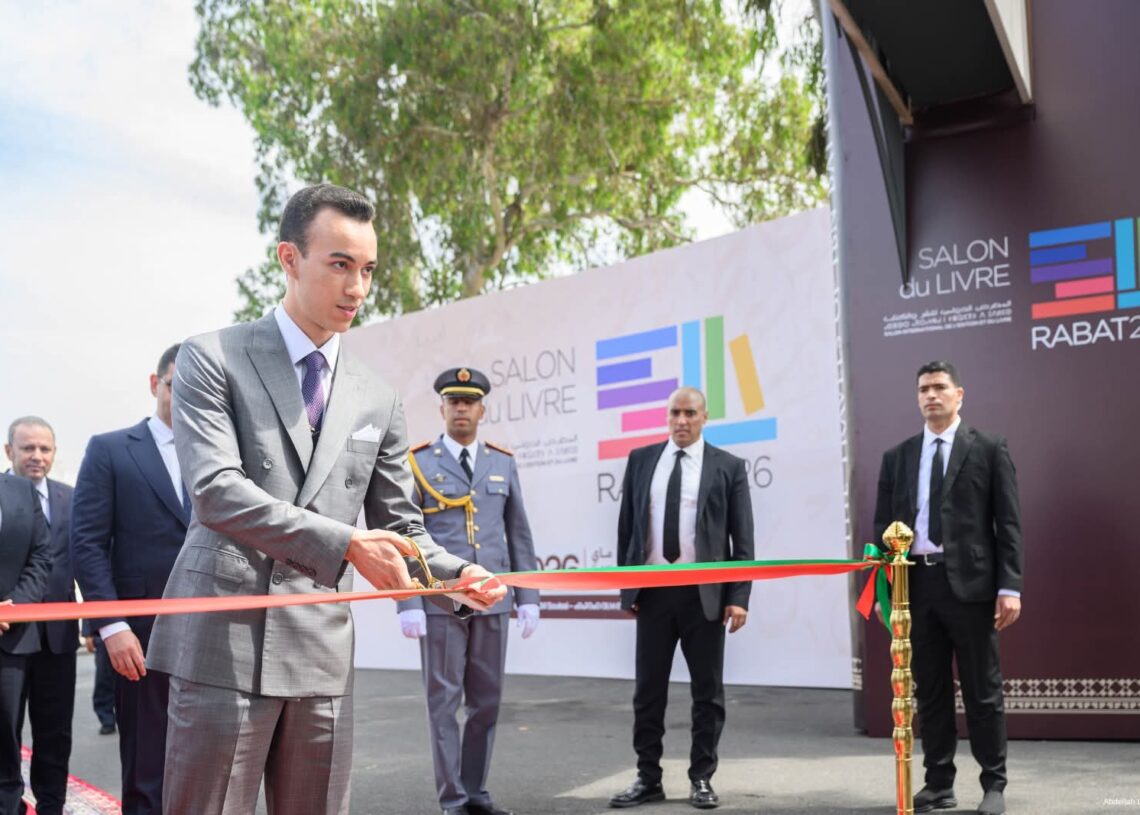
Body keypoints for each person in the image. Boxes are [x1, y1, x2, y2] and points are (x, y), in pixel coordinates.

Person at [145, 183, 505, 815]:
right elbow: (216, 491)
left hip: (320, 649)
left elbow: (401, 527)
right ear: (289, 259)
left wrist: (456, 574)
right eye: (339, 265)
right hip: (223, 639)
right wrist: (345, 545)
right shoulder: (213, 358)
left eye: (367, 270)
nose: (356, 288)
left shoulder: (376, 395)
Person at [873, 360, 1022, 815]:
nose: (930, 395)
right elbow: (883, 528)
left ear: (960, 394)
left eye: (939, 387)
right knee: (930, 690)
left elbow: (1009, 524)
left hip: (972, 587)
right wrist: (885, 591)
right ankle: (938, 782)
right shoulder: (897, 456)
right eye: (923, 388)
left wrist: (1010, 586)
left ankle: (993, 785)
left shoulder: (990, 448)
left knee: (982, 690)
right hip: (915, 585)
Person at [397, 367, 540, 815]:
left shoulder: (502, 461)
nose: (461, 409)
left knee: (487, 702)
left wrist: (529, 597)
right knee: (443, 704)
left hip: (494, 600)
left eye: (469, 402)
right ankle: (453, 800)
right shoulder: (418, 461)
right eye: (453, 401)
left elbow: (519, 534)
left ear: (482, 408)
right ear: (442, 408)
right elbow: (405, 534)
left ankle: (476, 791)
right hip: (442, 602)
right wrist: (409, 601)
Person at [609, 387, 754, 811]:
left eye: (690, 413)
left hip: (703, 597)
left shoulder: (728, 467)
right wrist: (628, 587)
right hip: (652, 594)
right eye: (675, 413)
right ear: (666, 415)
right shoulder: (641, 461)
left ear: (705, 417)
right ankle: (647, 777)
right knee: (647, 692)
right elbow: (627, 530)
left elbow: (742, 540)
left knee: (707, 694)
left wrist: (739, 597)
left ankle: (702, 779)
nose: (682, 421)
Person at [71, 343, 190, 815]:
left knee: (214, 761)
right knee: (147, 766)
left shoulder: (224, 453)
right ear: (155, 383)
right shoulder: (111, 450)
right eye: (178, 384)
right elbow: (87, 545)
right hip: (140, 636)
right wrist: (112, 625)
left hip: (217, 634)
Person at [4, 417, 77, 815]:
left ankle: (52, 805)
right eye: (28, 448)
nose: (36, 456)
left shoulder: (72, 498)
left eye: (44, 449)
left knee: (55, 732)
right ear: (8, 451)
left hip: (59, 636)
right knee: (5, 731)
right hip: (8, 635)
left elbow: (86, 556)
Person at [0, 472, 52, 812]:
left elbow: (41, 556)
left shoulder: (21, 490)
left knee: (5, 742)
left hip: (10, 637)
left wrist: (14, 607)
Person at [80, 621, 116, 735]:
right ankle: (107, 719)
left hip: (135, 627)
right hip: (103, 632)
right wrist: (88, 633)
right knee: (104, 678)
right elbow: (91, 603)